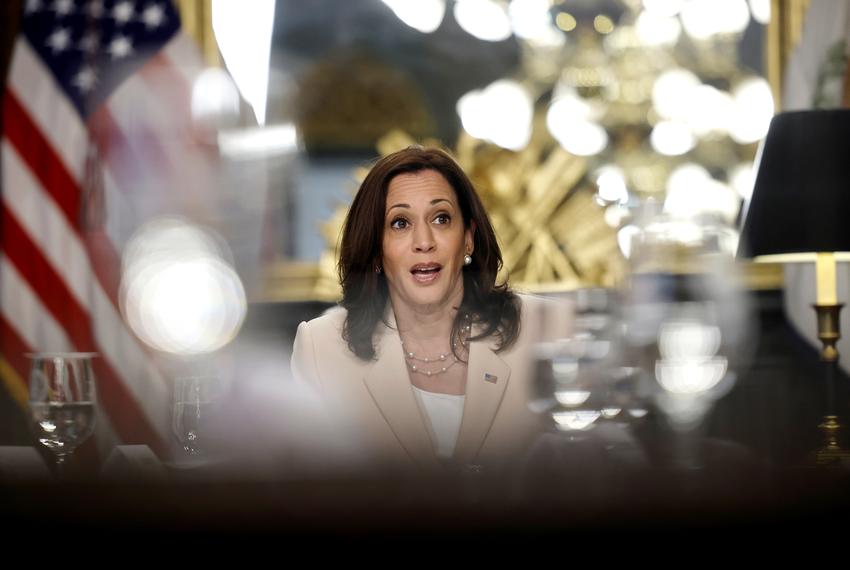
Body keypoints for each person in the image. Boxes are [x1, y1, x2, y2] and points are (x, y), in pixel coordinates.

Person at [291, 146, 570, 476]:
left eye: (441, 218)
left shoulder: (550, 328)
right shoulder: (320, 349)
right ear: (376, 249)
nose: (424, 241)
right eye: (400, 223)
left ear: (468, 238)